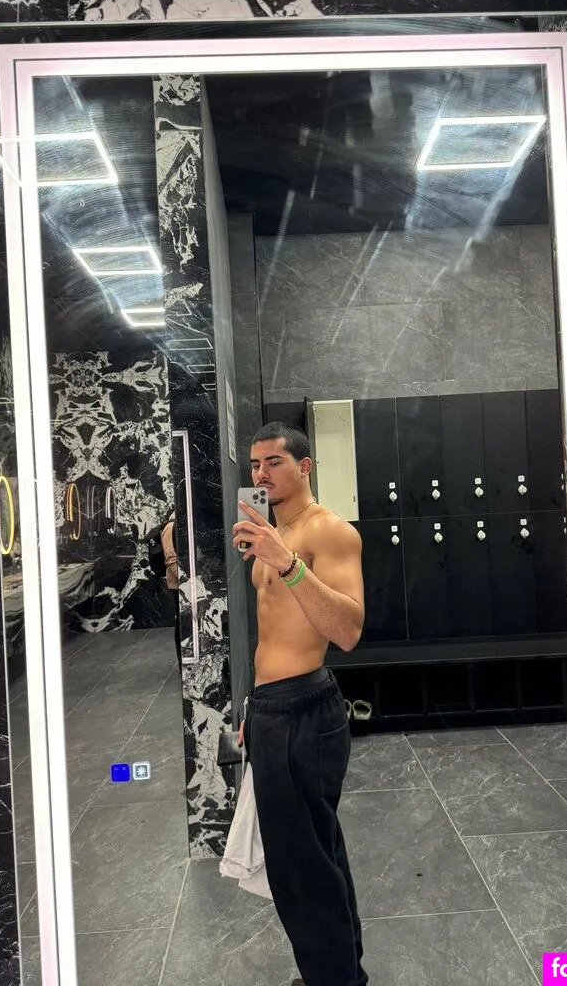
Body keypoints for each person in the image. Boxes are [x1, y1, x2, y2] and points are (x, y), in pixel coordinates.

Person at [232, 421, 368, 986]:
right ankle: (343, 975)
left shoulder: (328, 531)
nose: (261, 474)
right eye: (255, 465)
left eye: (275, 462)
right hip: (272, 709)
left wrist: (288, 563)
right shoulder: (271, 530)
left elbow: (348, 630)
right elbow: (269, 634)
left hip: (304, 711)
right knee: (316, 852)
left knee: (300, 868)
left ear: (305, 466)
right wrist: (253, 704)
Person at [160, 510, 181, 665]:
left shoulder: (181, 525)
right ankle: (182, 662)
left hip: (184, 583)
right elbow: (170, 559)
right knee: (180, 622)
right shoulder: (170, 527)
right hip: (177, 585)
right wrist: (186, 580)